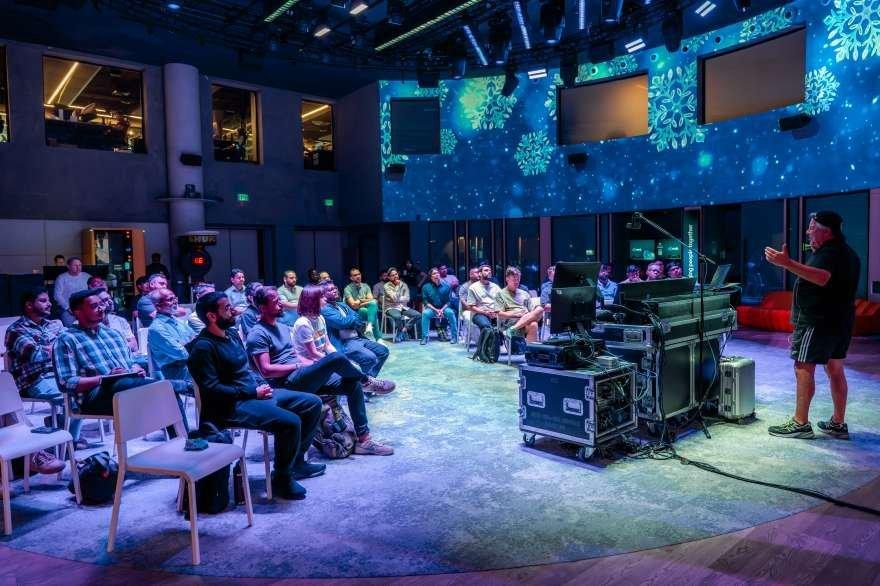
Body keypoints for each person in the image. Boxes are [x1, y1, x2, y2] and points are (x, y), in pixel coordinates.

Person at [187, 292, 324, 500]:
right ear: (212, 316)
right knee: (290, 421)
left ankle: (296, 462)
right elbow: (211, 389)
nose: (233, 310)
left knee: (312, 403)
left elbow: (247, 369)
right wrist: (252, 392)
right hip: (229, 407)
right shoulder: (203, 347)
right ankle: (282, 478)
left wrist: (260, 385)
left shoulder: (231, 335)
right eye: (226, 308)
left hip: (254, 394)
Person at [248, 285, 393, 456]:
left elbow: (298, 354)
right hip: (287, 383)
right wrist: (300, 366)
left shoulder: (283, 327)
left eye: (280, 300)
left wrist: (313, 367)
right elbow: (266, 371)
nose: (281, 304)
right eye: (276, 302)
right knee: (335, 359)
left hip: (303, 375)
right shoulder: (257, 334)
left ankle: (364, 440)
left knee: (352, 385)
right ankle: (366, 381)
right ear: (263, 307)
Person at [764, 211, 860, 440]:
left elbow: (822, 277)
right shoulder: (847, 253)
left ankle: (800, 423)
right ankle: (837, 423)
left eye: (812, 227)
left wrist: (787, 264)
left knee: (803, 366)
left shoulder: (830, 253)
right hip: (840, 322)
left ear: (826, 231)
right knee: (835, 369)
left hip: (817, 321)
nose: (808, 232)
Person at [53, 289, 187, 432]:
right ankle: (177, 385)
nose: (101, 309)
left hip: (127, 388)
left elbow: (130, 363)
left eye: (101, 304)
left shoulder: (113, 334)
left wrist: (135, 368)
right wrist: (105, 378)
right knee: (127, 382)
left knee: (165, 392)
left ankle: (185, 441)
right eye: (94, 306)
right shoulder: (66, 339)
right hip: (93, 398)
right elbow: (66, 382)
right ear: (77, 312)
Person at [5, 287, 83, 457]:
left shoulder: (52, 324)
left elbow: (73, 345)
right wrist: (56, 346)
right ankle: (68, 446)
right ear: (29, 305)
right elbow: (37, 354)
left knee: (87, 389)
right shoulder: (16, 330)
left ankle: (64, 435)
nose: (49, 304)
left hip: (56, 376)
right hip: (34, 381)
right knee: (76, 396)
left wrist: (52, 347)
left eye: (48, 300)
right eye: (43, 301)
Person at [321, 282, 396, 394]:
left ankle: (367, 383)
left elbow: (359, 319)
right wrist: (352, 318)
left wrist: (351, 319)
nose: (335, 290)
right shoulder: (325, 308)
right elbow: (342, 323)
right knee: (370, 358)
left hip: (357, 338)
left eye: (335, 288)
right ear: (323, 294)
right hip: (345, 342)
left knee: (383, 351)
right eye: (330, 290)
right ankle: (366, 385)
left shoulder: (342, 305)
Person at [147, 288, 196, 382]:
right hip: (179, 374)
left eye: (175, 298)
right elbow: (182, 353)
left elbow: (197, 340)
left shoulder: (179, 321)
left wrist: (185, 344)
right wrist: (190, 344)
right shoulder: (156, 329)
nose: (175, 302)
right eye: (170, 299)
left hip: (192, 366)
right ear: (158, 306)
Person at [497, 266, 544, 342]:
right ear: (507, 279)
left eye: (518, 279)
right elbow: (499, 313)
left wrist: (527, 314)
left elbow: (532, 311)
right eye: (514, 280)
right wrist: (516, 314)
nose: (516, 282)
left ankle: (512, 330)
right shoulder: (500, 294)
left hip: (525, 319)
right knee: (534, 324)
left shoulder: (524, 293)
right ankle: (511, 329)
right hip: (510, 322)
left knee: (540, 309)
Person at [343, 266, 382, 342]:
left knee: (373, 304)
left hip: (365, 310)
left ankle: (369, 326)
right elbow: (353, 306)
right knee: (372, 310)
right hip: (354, 313)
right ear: (351, 278)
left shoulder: (366, 286)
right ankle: (378, 338)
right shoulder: (347, 289)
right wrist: (366, 302)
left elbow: (371, 299)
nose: (358, 276)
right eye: (355, 275)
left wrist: (359, 301)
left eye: (359, 274)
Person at [420, 268, 458, 345]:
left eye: (437, 273)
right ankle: (424, 337)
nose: (436, 274)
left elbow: (449, 301)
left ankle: (454, 337)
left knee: (450, 313)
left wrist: (441, 309)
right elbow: (425, 301)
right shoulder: (426, 287)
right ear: (431, 277)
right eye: (434, 274)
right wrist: (436, 310)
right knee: (425, 314)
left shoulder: (447, 286)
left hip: (444, 308)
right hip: (432, 309)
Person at [383, 267, 421, 342]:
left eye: (396, 274)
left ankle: (403, 331)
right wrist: (398, 288)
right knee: (397, 316)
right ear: (389, 277)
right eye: (393, 275)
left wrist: (399, 299)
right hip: (391, 307)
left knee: (418, 315)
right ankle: (401, 333)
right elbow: (394, 298)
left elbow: (407, 298)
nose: (395, 276)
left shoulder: (404, 285)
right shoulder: (386, 286)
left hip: (403, 307)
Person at [96, 288, 139, 354]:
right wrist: (125, 345)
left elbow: (134, 345)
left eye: (110, 298)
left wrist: (116, 348)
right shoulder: (91, 324)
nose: (110, 302)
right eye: (105, 300)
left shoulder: (120, 320)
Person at [54, 257, 91, 326]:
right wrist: (68, 308)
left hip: (85, 307)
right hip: (67, 309)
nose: (78, 267)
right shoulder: (61, 278)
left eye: (80, 265)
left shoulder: (87, 276)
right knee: (71, 328)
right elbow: (57, 295)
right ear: (68, 266)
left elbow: (92, 291)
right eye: (75, 265)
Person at [465, 264, 502, 332]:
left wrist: (496, 311)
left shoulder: (496, 287)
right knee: (486, 327)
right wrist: (485, 312)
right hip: (479, 314)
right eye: (486, 270)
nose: (489, 272)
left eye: (490, 270)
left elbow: (501, 302)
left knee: (509, 323)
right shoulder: (473, 288)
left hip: (495, 313)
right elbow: (471, 307)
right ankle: (486, 342)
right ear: (480, 273)